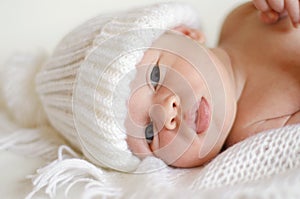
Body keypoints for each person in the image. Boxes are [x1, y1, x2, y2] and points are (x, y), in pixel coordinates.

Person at [0, 1, 299, 172]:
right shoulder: (257, 129)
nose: (167, 114)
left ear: (185, 34)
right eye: (148, 134)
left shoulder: (240, 20)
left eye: (155, 77)